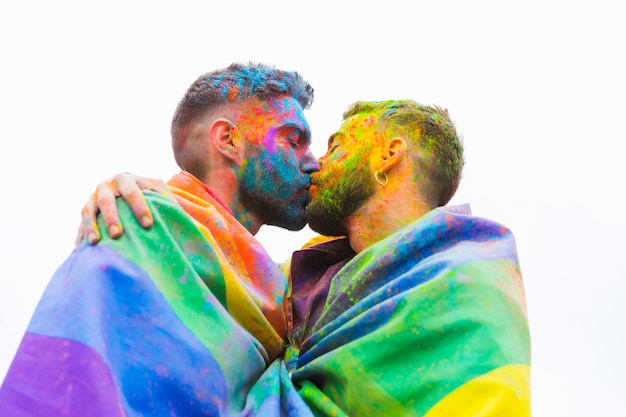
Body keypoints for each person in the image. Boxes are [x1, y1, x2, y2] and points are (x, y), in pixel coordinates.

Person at [76, 100, 532, 416]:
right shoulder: (295, 281)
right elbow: (206, 279)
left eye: (335, 144)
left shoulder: (470, 274)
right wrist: (157, 202)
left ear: (389, 155)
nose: (314, 164)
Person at [0, 62, 320, 416]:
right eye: (294, 140)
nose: (313, 162)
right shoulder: (139, 228)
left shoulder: (287, 289)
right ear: (228, 140)